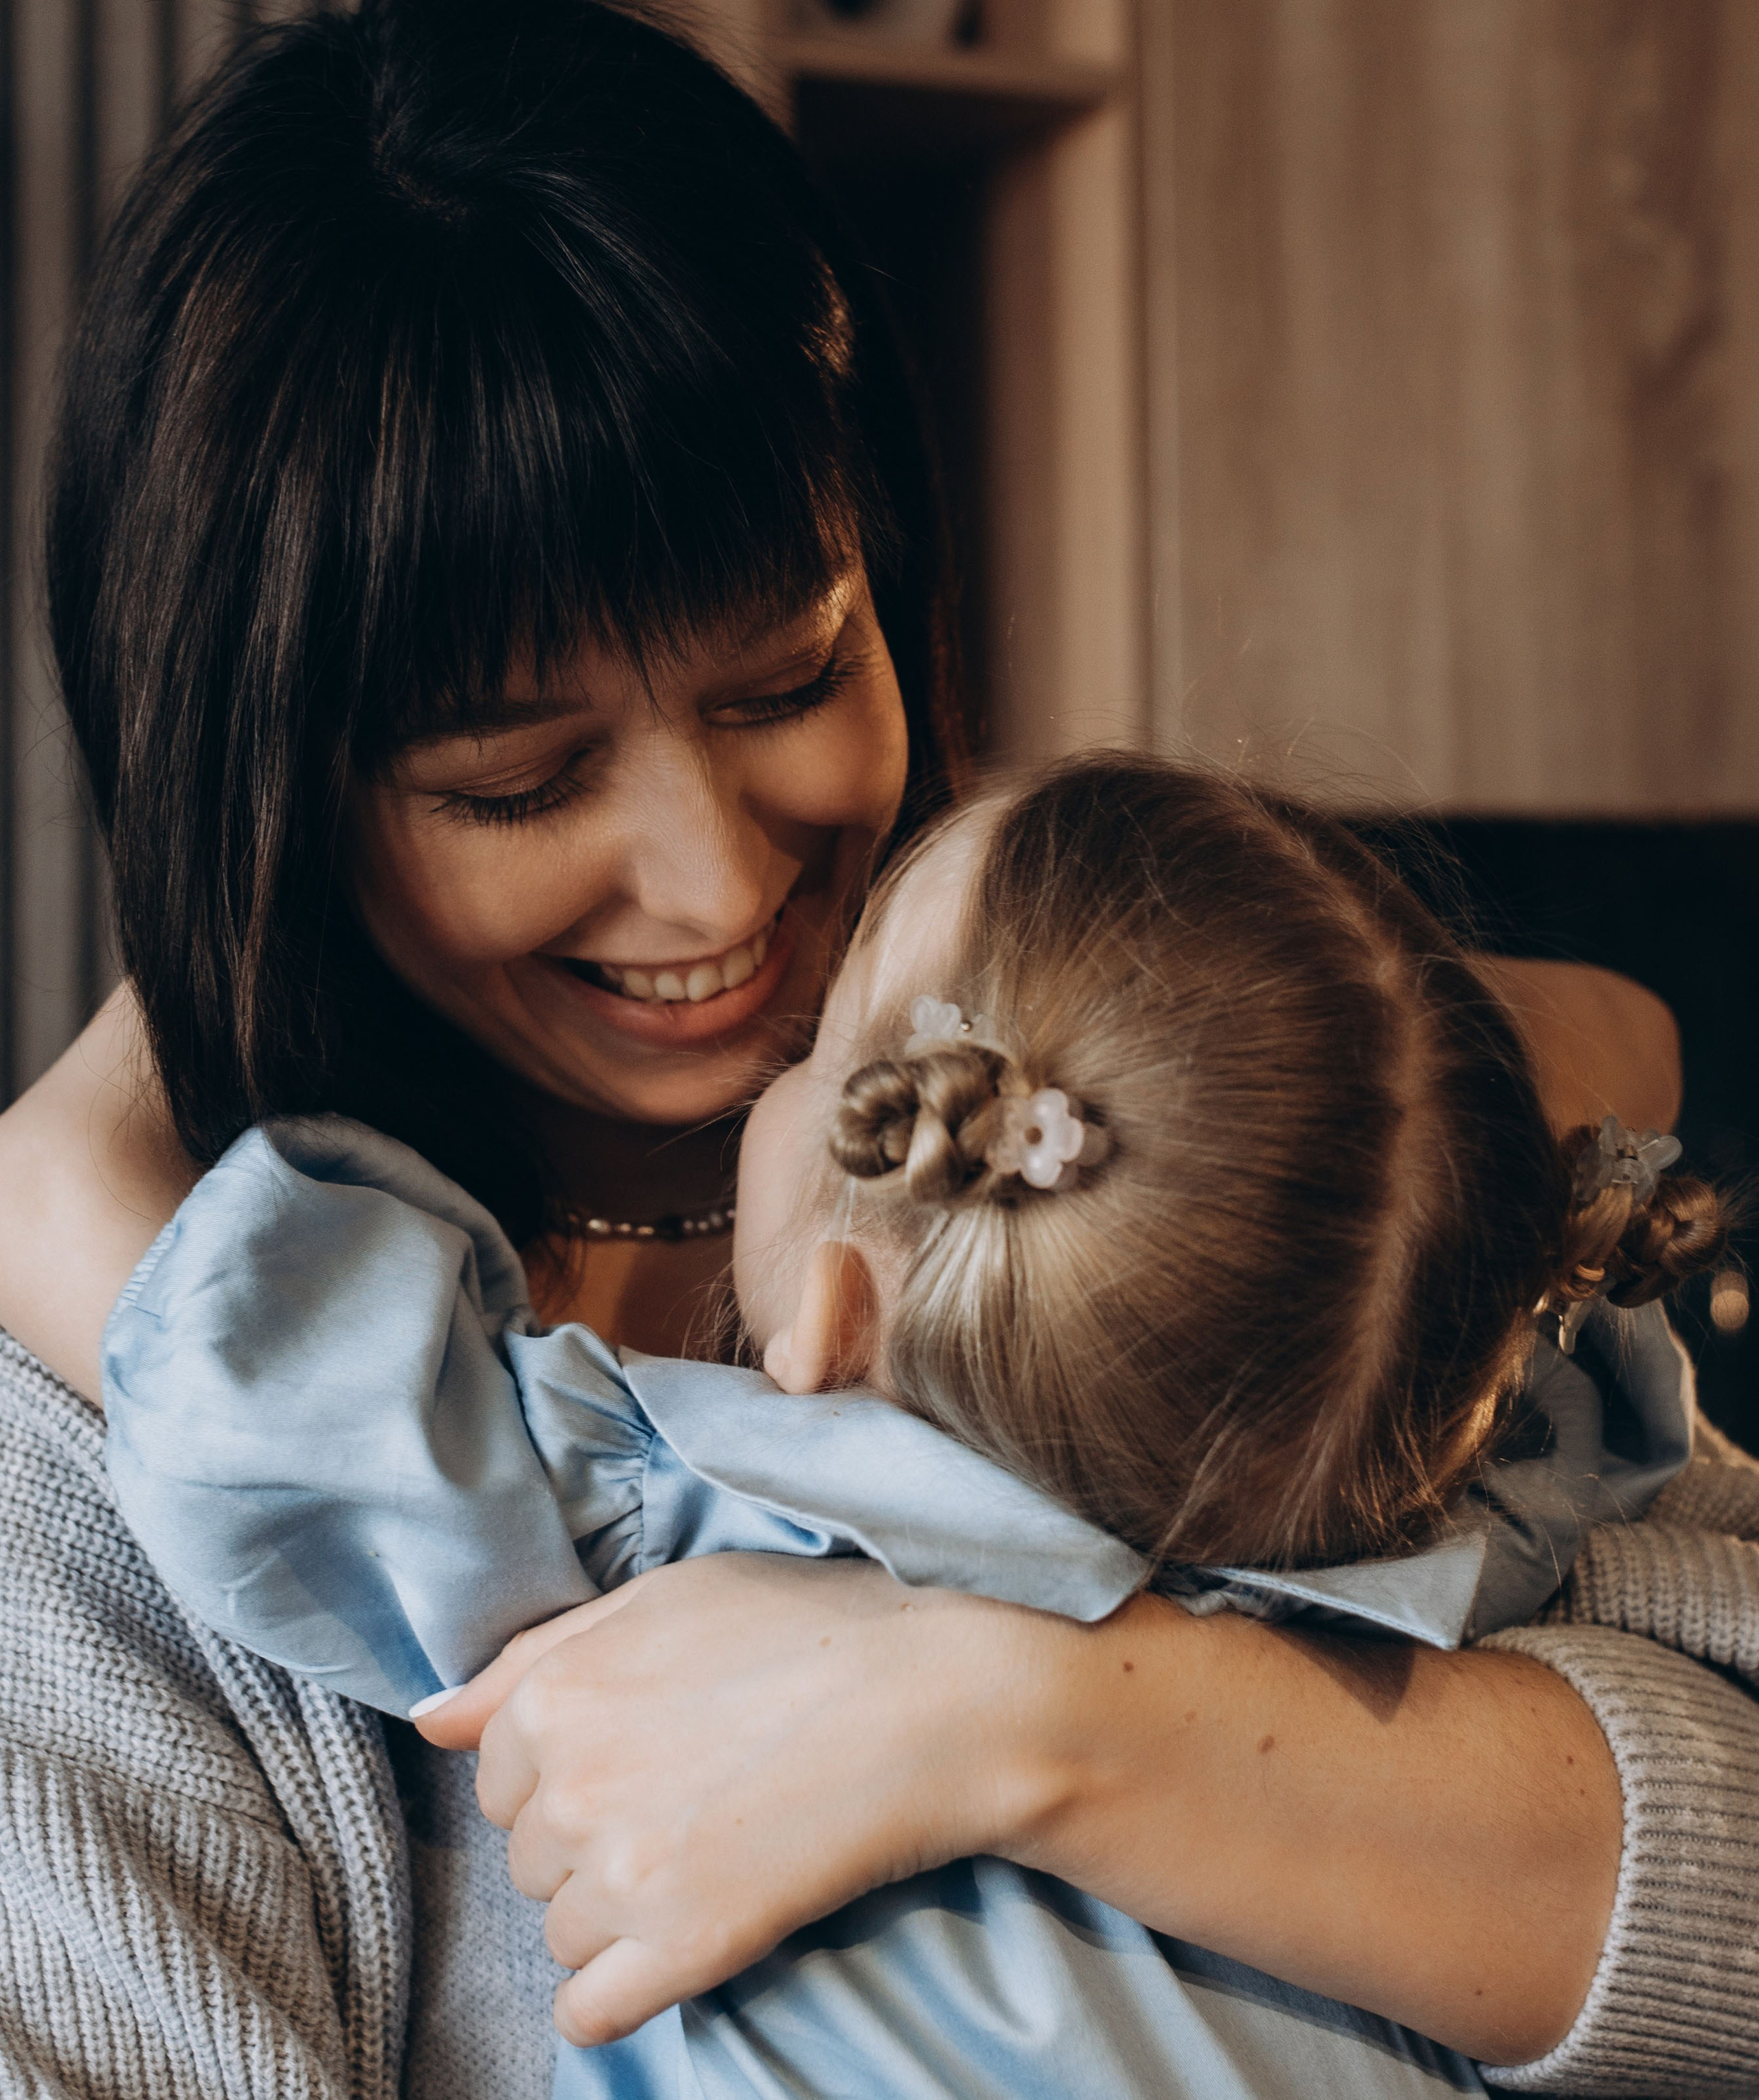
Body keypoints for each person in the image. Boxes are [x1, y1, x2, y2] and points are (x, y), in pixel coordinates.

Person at [0, 2, 1753, 2095]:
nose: (721, 882)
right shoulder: (71, 1495)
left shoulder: (1184, 1128)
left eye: (788, 676)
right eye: (518, 781)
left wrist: (1028, 1726)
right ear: (267, 789)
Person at [100, 757, 1734, 2099]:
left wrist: (175, 976)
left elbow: (237, 1355)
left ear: (825, 1315)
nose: (727, 900)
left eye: (824, 1043)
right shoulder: (1489, 1517)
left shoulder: (655, 1502)